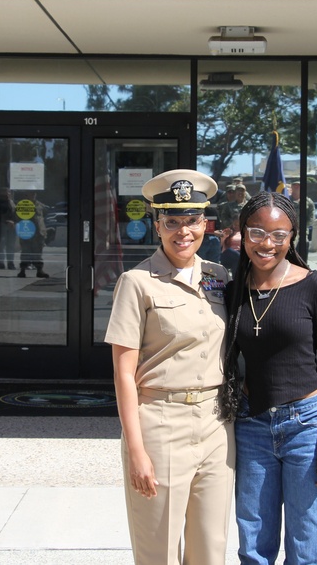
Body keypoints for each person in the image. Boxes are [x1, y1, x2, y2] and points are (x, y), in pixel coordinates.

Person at [104, 169, 233, 565]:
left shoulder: (219, 277)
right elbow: (124, 373)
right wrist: (137, 450)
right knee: (158, 552)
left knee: (211, 550)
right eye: (172, 222)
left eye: (192, 221)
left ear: (205, 224)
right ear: (157, 225)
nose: (183, 231)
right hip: (160, 423)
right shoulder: (137, 282)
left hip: (215, 426)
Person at [222, 191, 317, 565]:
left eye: (279, 235)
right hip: (252, 426)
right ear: (242, 234)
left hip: (305, 426)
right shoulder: (233, 292)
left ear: (292, 238)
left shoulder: (314, 285)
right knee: (254, 547)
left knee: (307, 547)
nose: (267, 244)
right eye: (257, 232)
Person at [15, 194, 48, 278]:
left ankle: (39, 270)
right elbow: (16, 217)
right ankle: (22, 270)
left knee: (38, 252)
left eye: (33, 194)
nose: (32, 195)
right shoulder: (23, 204)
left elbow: (43, 216)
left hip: (39, 232)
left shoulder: (40, 205)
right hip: (27, 231)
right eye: (30, 194)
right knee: (26, 251)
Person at [290, 181, 315, 247]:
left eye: (298, 186)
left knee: (304, 248)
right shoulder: (287, 200)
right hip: (289, 231)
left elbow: (311, 217)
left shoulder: (308, 202)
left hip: (302, 232)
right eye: (295, 186)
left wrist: (303, 226)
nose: (297, 187)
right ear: (291, 187)